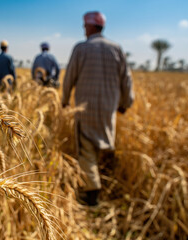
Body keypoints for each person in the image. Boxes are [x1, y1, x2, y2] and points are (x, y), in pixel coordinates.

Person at [62, 11, 134, 206]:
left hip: (85, 110)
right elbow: (126, 79)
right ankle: (103, 176)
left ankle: (92, 194)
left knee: (86, 150)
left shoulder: (81, 48)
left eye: (85, 26)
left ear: (92, 26)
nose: (84, 29)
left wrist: (65, 100)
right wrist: (125, 104)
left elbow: (70, 77)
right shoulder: (116, 48)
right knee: (102, 142)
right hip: (108, 110)